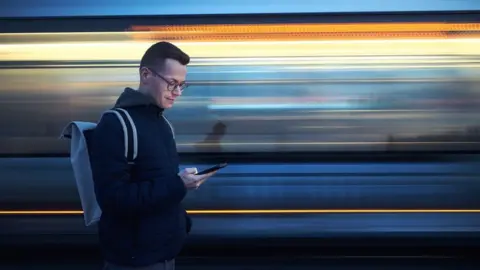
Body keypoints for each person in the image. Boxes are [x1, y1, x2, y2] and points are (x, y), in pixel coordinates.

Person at [90, 41, 215, 270]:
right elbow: (113, 199)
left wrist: (181, 221)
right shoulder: (115, 124)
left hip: (164, 254)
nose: (177, 93)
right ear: (146, 75)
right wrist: (178, 185)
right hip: (134, 260)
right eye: (171, 83)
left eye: (182, 85)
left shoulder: (163, 124)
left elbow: (157, 183)